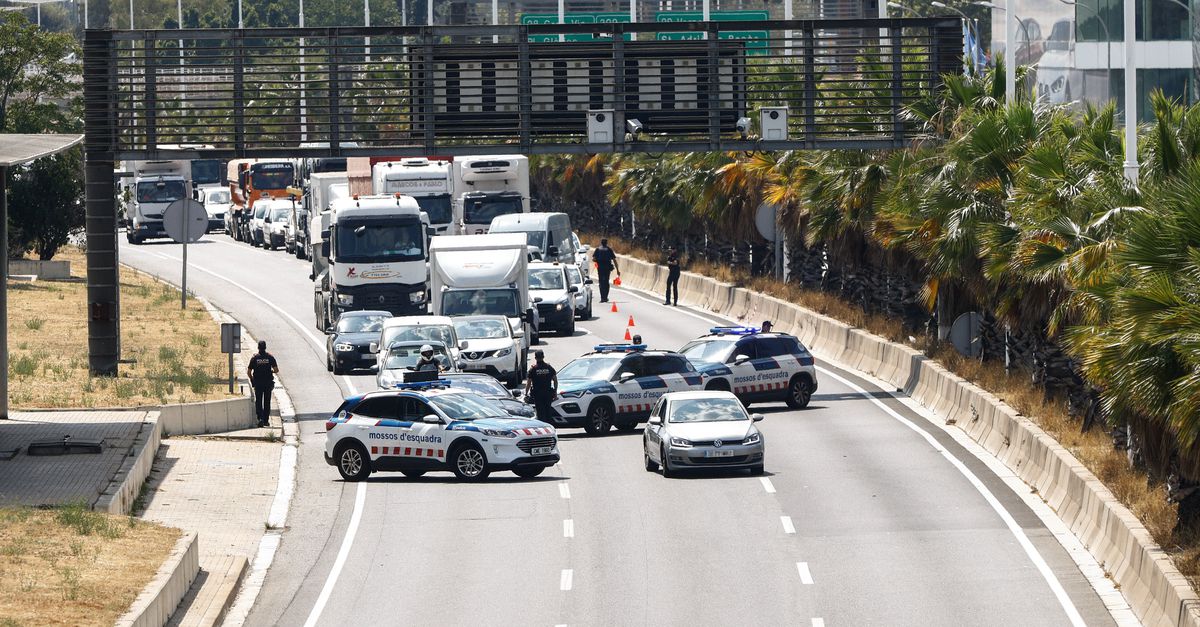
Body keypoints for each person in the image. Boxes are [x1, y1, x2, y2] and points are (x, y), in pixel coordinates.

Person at [247, 340, 279, 428]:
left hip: (258, 383)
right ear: (265, 347)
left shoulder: (255, 358)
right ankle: (266, 420)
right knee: (267, 401)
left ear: (258, 347)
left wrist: (252, 380)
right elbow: (276, 370)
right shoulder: (270, 357)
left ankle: (260, 419)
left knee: (259, 401)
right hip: (268, 383)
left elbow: (249, 372)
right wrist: (271, 371)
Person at [524, 350, 558, 423]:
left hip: (538, 395)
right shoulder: (549, 367)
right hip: (548, 394)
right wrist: (555, 392)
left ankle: (543, 429)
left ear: (535, 358)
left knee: (540, 413)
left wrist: (526, 393)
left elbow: (529, 383)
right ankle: (549, 428)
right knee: (548, 412)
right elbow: (555, 380)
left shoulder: (533, 369)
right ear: (543, 357)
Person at [592, 238, 620, 303]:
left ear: (601, 243)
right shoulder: (609, 249)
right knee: (606, 282)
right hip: (607, 268)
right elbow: (614, 260)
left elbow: (593, 259)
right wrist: (618, 270)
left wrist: (597, 261)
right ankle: (605, 297)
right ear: (606, 243)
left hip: (600, 269)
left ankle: (602, 297)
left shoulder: (598, 249)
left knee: (601, 282)